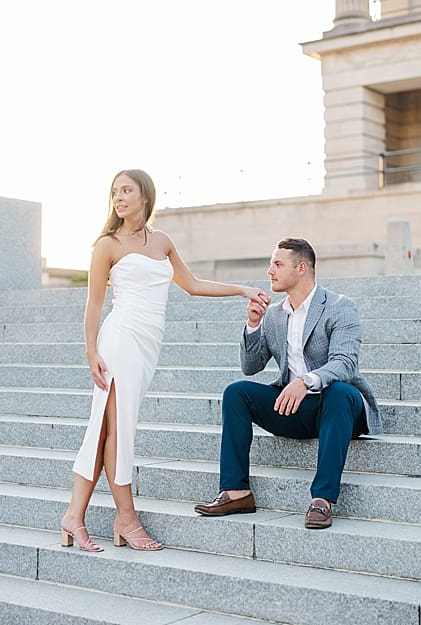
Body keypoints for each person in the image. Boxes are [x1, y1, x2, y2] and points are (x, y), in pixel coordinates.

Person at [60, 169, 269, 552]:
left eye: (127, 190)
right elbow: (93, 304)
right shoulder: (107, 245)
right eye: (114, 191)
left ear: (145, 196)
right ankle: (125, 518)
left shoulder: (162, 241)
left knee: (109, 431)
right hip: (119, 340)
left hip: (146, 345)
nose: (119, 197)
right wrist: (91, 351)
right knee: (116, 430)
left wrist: (242, 290)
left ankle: (76, 517)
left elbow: (192, 285)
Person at [193, 237, 382, 528]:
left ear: (302, 268)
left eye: (278, 264)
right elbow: (250, 367)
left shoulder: (340, 307)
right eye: (271, 264)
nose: (270, 270)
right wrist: (254, 326)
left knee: (341, 392)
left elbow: (345, 364)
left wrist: (305, 381)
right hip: (294, 408)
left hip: (336, 408)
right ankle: (236, 492)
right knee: (236, 392)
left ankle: (322, 500)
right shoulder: (274, 315)